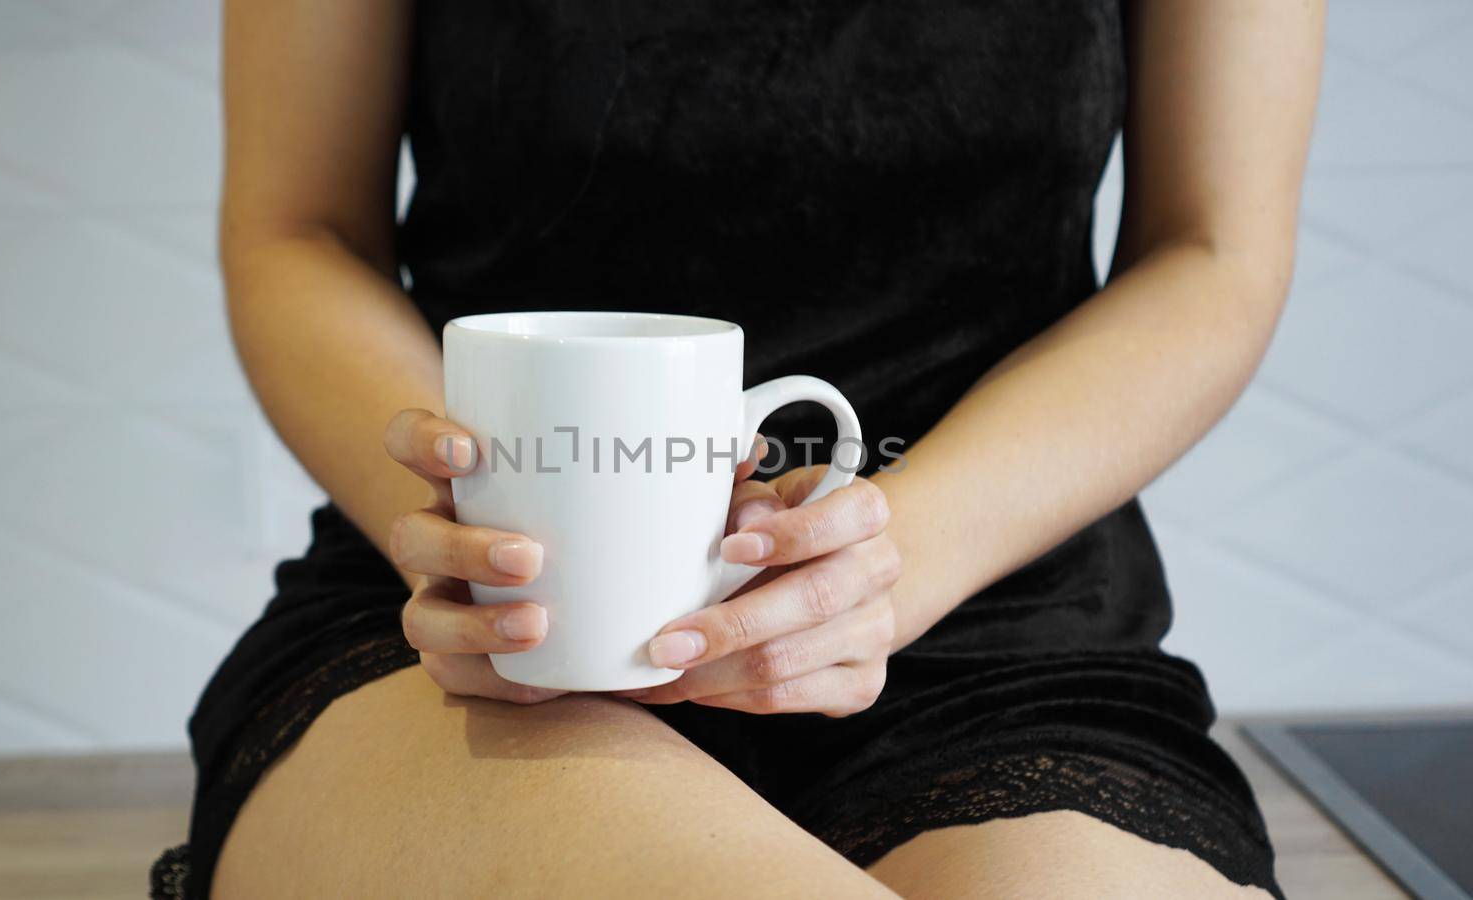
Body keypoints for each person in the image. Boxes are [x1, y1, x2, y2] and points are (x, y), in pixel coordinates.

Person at [150, 1, 1323, 896]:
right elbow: (299, 229)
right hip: (468, 638)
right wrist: (469, 544)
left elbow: (1211, 250)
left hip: (994, 636)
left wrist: (884, 564)